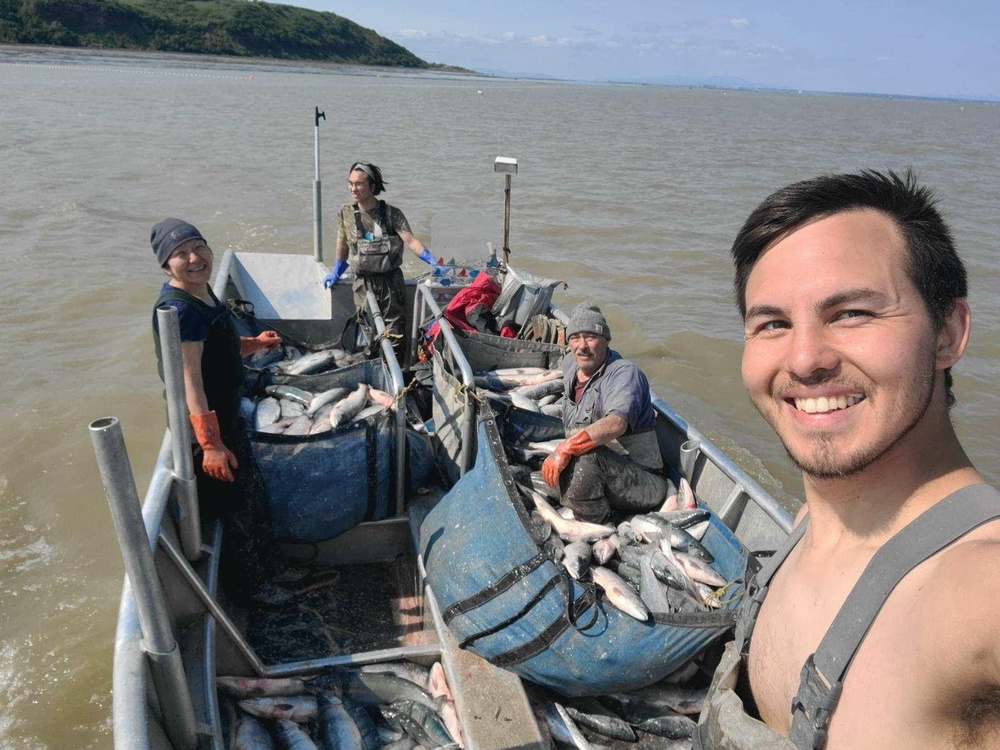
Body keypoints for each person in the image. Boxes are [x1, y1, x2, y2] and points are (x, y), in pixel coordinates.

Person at [695, 170, 999, 750]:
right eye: (773, 324)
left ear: (949, 333)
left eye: (852, 313)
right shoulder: (808, 525)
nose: (805, 359)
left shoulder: (979, 587)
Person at [150, 218, 305, 608]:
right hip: (211, 427)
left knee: (253, 498)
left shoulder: (203, 293)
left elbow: (216, 349)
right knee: (237, 509)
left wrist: (253, 344)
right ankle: (256, 589)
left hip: (230, 416)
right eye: (180, 254)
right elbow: (190, 382)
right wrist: (211, 444)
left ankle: (273, 569)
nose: (194, 258)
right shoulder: (178, 310)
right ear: (167, 266)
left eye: (198, 246)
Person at [541, 302, 667, 522]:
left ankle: (602, 526)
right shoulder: (571, 364)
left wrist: (565, 449)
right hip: (596, 466)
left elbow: (617, 423)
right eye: (575, 338)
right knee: (544, 479)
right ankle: (580, 502)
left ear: (606, 340)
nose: (582, 346)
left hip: (642, 480)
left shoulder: (624, 373)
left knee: (585, 466)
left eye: (590, 337)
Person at [324, 162, 436, 353]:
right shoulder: (346, 213)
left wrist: (432, 260)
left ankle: (396, 375)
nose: (353, 188)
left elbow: (410, 241)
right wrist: (336, 270)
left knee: (394, 335)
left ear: (372, 186)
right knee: (367, 331)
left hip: (391, 285)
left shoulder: (392, 214)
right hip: (362, 285)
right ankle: (371, 370)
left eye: (359, 184)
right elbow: (342, 243)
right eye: (350, 183)